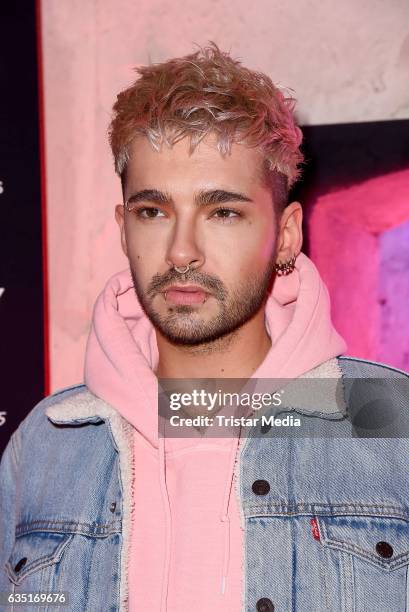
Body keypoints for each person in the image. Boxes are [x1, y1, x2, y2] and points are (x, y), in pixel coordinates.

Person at [0, 42, 408, 612]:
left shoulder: (392, 423)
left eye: (223, 212)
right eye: (153, 211)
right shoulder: (48, 443)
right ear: (123, 229)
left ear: (286, 234)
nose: (181, 251)